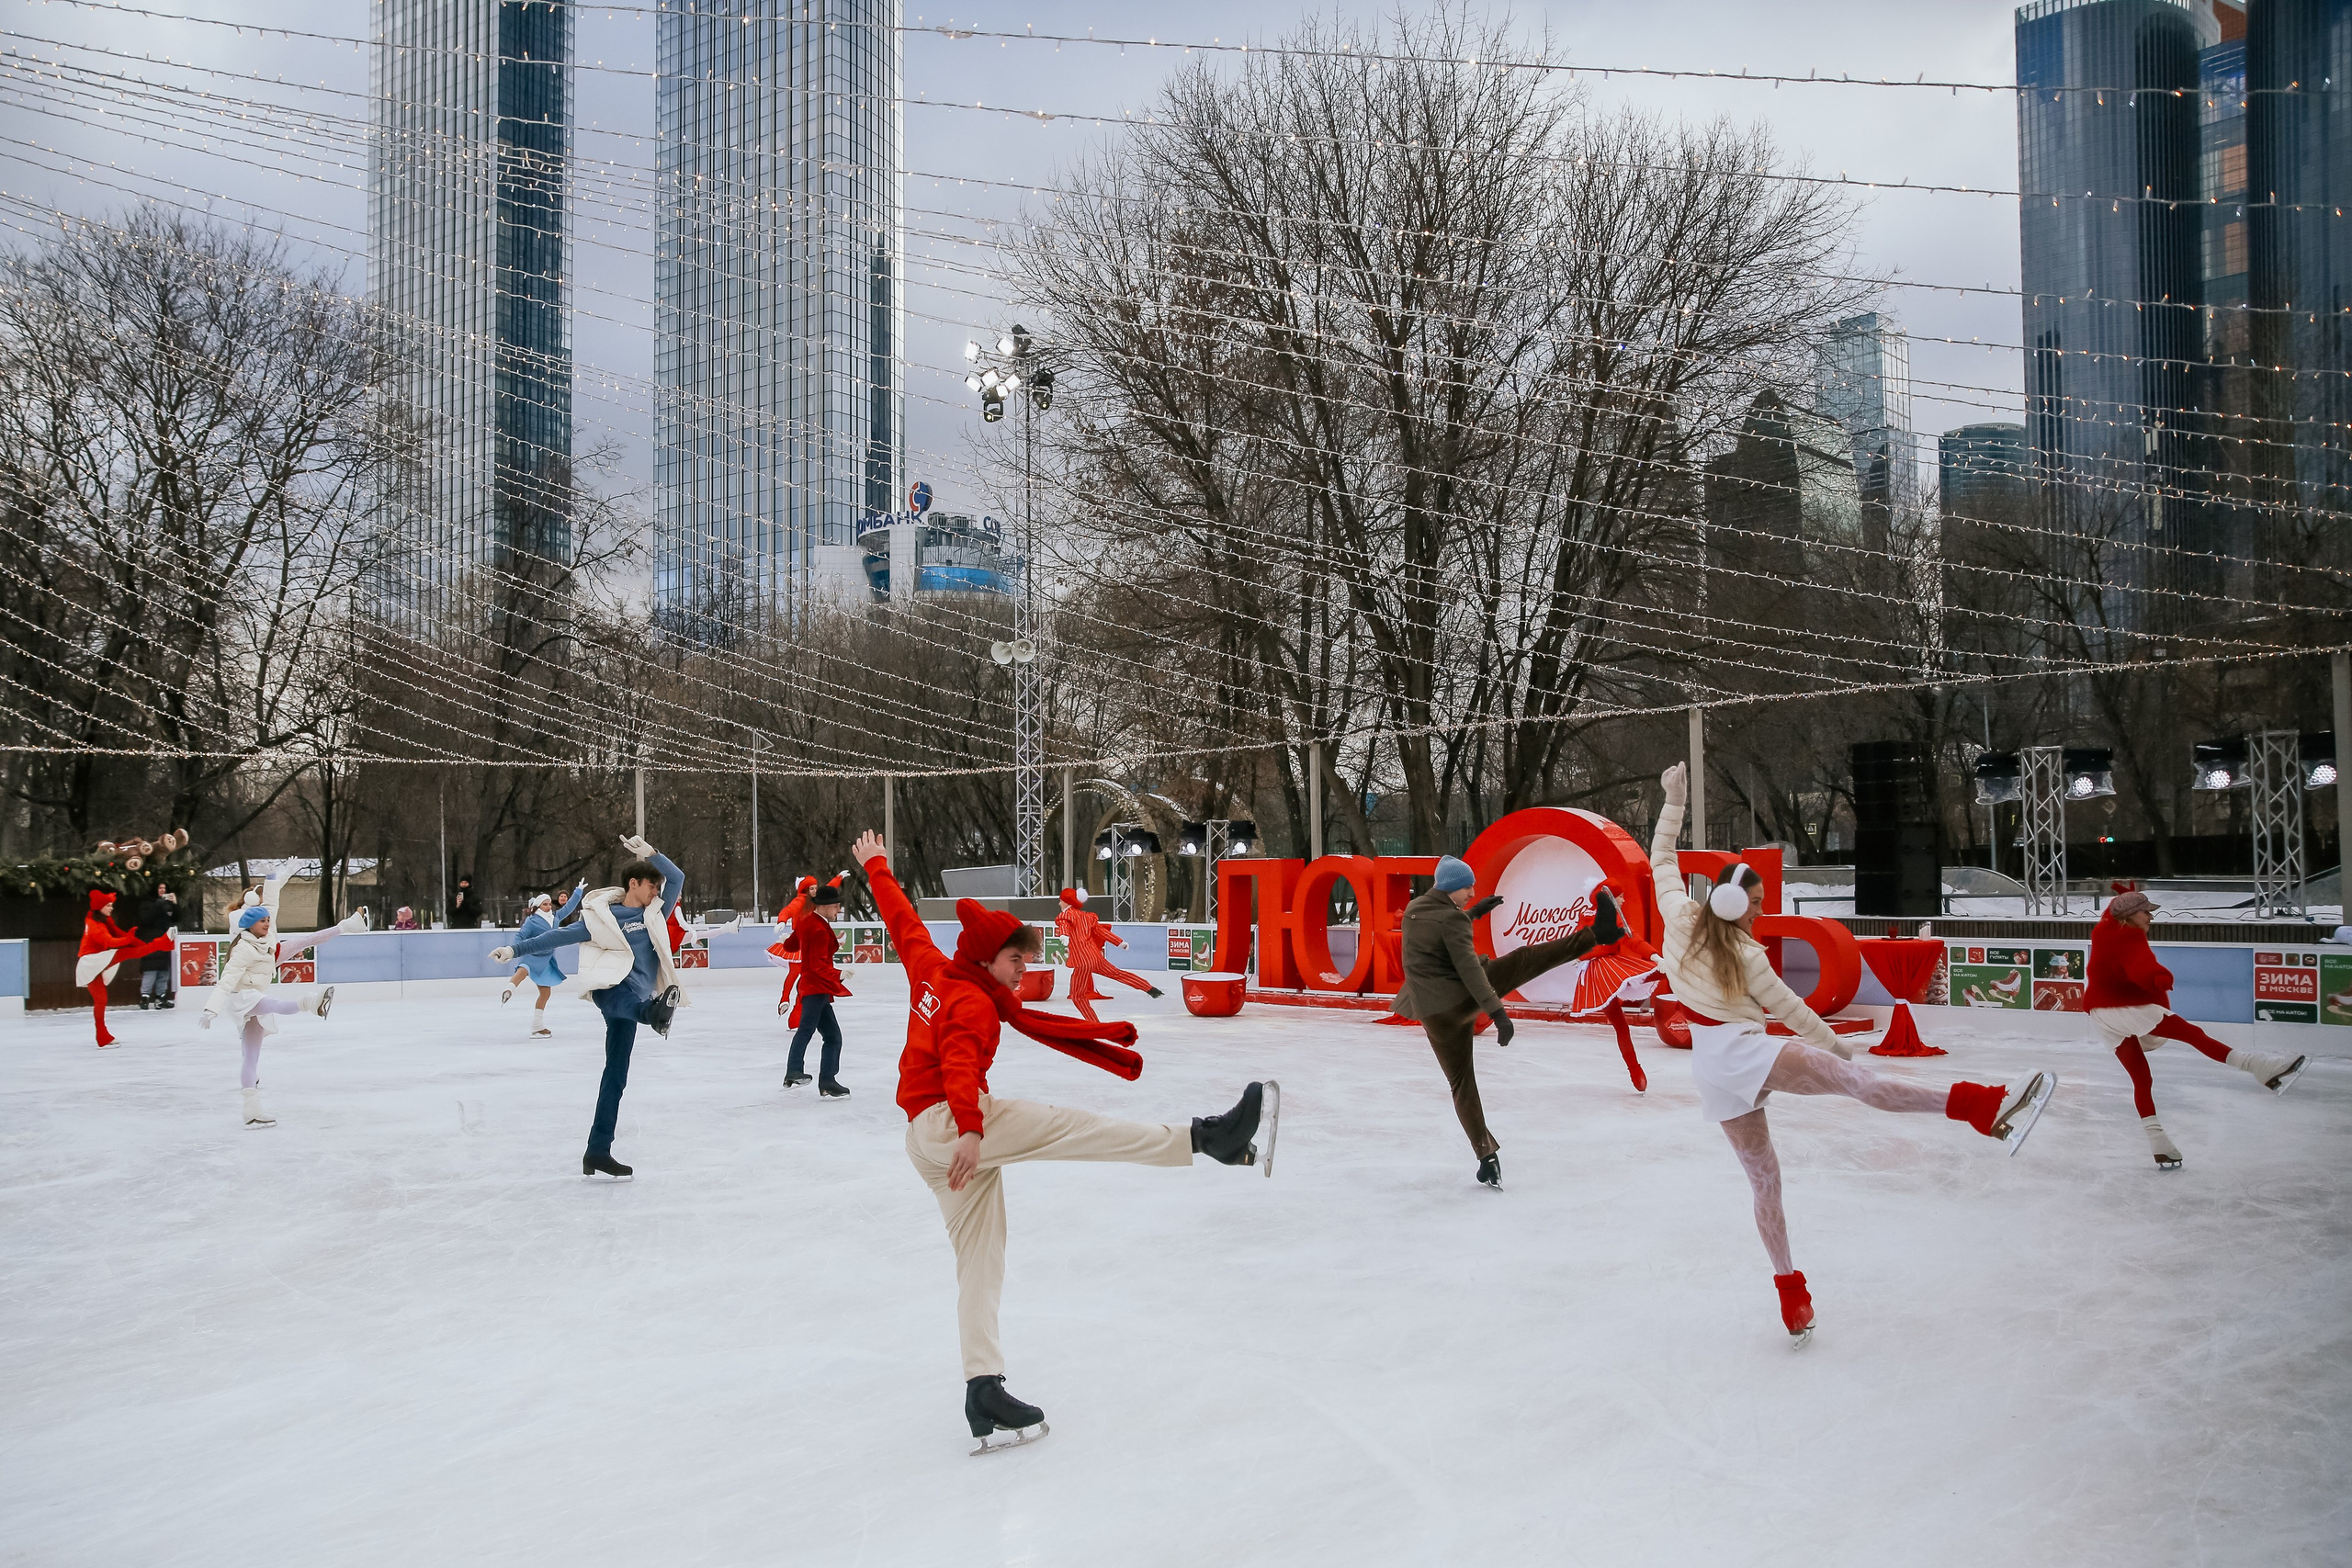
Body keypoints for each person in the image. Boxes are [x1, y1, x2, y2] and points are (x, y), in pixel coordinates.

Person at [856, 829, 1273, 1453]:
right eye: (1015, 961)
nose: (1024, 970)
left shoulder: (935, 967)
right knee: (1076, 1127)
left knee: (981, 1258)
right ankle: (1205, 1138)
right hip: (953, 1122)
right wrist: (972, 1128)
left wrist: (879, 867)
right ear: (987, 959)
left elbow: (903, 922)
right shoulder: (971, 1002)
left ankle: (983, 1388)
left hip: (923, 1137)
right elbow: (960, 1060)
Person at [1648, 762, 2054, 1346]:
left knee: (1765, 1186)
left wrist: (1674, 801)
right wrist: (1840, 1047)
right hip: (1745, 1053)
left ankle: (1791, 1296)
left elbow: (1662, 859)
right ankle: (1983, 1107)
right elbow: (1792, 1011)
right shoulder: (1746, 955)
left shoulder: (1679, 917)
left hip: (1712, 1071)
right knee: (1859, 1086)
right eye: (1758, 901)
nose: (1762, 909)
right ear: (1736, 903)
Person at [1390, 856, 1625, 1190]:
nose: (1472, 891)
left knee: (1461, 1085)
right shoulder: (1451, 922)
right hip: (1461, 998)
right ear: (1451, 887)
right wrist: (1498, 1014)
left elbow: (1442, 927)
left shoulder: (1416, 909)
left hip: (1432, 1013)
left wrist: (1474, 913)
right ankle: (1596, 935)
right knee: (1523, 960)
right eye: (1467, 887)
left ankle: (1486, 1158)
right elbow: (1470, 969)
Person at [492, 835, 685, 1179]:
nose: (658, 891)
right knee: (629, 1006)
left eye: (658, 888)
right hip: (610, 991)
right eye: (652, 885)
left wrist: (653, 854)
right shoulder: (601, 918)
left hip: (636, 998)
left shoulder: (656, 912)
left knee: (616, 1078)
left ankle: (597, 1151)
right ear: (633, 884)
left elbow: (678, 878)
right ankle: (654, 1015)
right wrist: (513, 950)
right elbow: (554, 937)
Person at [2087, 887, 2305, 1171]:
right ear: (2129, 916)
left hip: (2100, 1013)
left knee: (2142, 1078)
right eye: (2146, 911)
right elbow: (2138, 964)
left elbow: (2123, 962)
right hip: (2125, 1007)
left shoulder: (2104, 933)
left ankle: (2158, 1143)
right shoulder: (2130, 935)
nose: (2151, 915)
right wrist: (2158, 976)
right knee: (2193, 1035)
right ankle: (2259, 1067)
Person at [198, 874, 370, 1127]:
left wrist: (274, 877)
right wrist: (210, 1009)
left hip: (257, 988)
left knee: (251, 1056)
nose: (268, 923)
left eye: (269, 920)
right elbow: (226, 981)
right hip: (244, 998)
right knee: (272, 1004)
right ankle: (313, 1003)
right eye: (263, 920)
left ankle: (251, 1109)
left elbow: (271, 904)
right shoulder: (243, 947)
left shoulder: (268, 938)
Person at [782, 879, 854, 1096]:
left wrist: (787, 939)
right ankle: (795, 1071)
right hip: (816, 987)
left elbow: (792, 945)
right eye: (835, 906)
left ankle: (827, 1081)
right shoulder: (819, 929)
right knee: (811, 1031)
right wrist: (838, 974)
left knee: (831, 1036)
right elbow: (816, 964)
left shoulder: (807, 921)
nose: (838, 910)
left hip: (814, 988)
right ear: (822, 906)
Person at [76, 889, 174, 1047]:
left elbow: (123, 937)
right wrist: (152, 945)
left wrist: (147, 946)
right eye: (108, 905)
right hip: (92, 961)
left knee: (101, 1000)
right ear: (99, 907)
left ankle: (102, 1035)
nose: (111, 908)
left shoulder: (104, 920)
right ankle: (161, 943)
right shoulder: (94, 925)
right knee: (124, 953)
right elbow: (110, 942)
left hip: (96, 960)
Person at [1055, 886, 1162, 1018]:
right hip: (1095, 957)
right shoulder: (1086, 917)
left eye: (1061, 900)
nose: (1059, 903)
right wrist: (1119, 942)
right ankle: (1150, 989)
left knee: (1077, 996)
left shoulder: (1066, 914)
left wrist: (1064, 935)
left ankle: (1094, 1023)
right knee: (1117, 973)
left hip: (1083, 961)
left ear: (1067, 902)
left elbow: (1064, 923)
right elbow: (1101, 931)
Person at [504, 881, 586, 1036]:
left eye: (549, 904)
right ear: (537, 906)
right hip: (533, 954)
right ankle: (509, 989)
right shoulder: (532, 920)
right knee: (524, 969)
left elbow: (568, 908)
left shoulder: (555, 918)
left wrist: (578, 892)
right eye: (545, 904)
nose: (549, 906)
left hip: (546, 959)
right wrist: (512, 951)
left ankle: (537, 1025)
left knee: (546, 993)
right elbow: (520, 935)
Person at [135, 881, 180, 1010]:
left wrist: (175, 904)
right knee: (151, 971)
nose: (162, 890)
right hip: (151, 941)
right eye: (160, 888)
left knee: (164, 971)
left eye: (164, 888)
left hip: (166, 941)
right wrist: (157, 905)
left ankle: (161, 997)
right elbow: (145, 920)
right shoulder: (147, 903)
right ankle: (145, 997)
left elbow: (177, 918)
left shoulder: (169, 905)